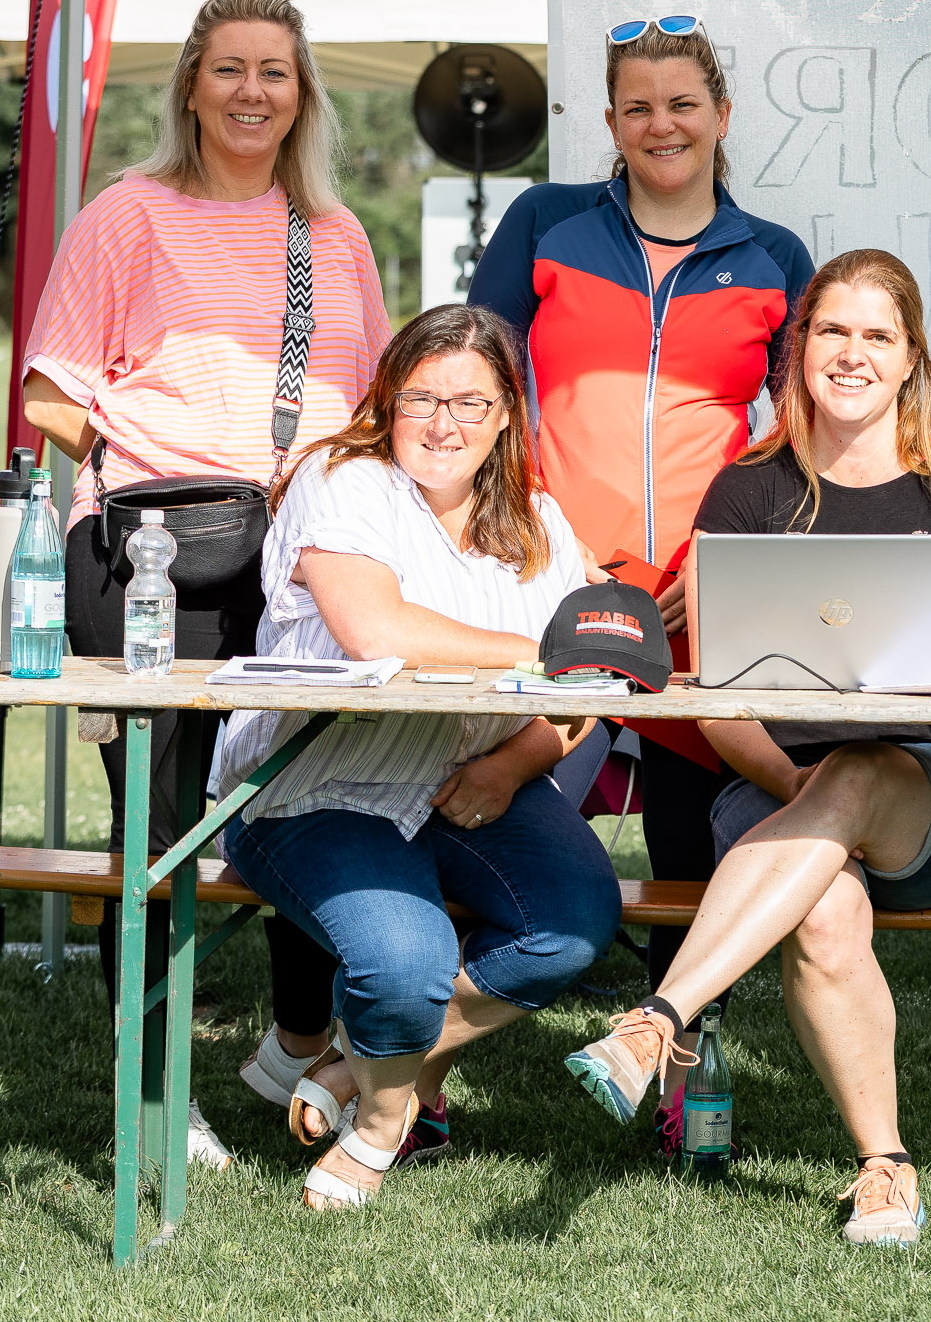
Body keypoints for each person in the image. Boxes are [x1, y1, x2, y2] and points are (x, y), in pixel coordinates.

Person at [562, 249, 931, 1248]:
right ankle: (886, 1168)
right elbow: (719, 700)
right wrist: (793, 780)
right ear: (801, 348)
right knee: (824, 904)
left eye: (876, 335)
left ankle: (657, 1019)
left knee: (858, 771)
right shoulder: (748, 492)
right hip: (776, 791)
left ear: (909, 359)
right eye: (831, 331)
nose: (851, 353)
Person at [20, 0, 396, 1164]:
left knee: (310, 802)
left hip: (300, 562)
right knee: (161, 829)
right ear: (190, 85)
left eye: (273, 71)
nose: (251, 91)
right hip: (150, 564)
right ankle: (154, 1095)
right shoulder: (127, 214)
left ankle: (295, 1044)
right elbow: (50, 397)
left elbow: (376, 405)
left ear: (303, 94)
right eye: (228, 67)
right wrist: (164, 458)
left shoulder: (334, 235)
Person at [469, 13, 814, 1149]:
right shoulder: (546, 222)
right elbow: (479, 385)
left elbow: (804, 434)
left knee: (688, 848)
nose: (661, 125)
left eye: (682, 104)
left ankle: (677, 1069)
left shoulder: (775, 256)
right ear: (610, 121)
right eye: (638, 106)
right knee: (493, 810)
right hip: (554, 584)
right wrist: (542, 537)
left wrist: (719, 556)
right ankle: (414, 1075)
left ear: (720, 115)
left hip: (695, 604)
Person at [216, 303, 621, 1210]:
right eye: (422, 399)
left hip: (472, 777)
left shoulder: (541, 521)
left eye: (471, 402)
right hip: (315, 784)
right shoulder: (340, 480)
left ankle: (361, 1060)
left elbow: (592, 686)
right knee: (404, 966)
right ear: (387, 401)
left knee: (572, 920)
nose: (444, 424)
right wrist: (540, 651)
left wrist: (512, 766)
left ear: (506, 413)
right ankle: (381, 1119)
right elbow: (376, 629)